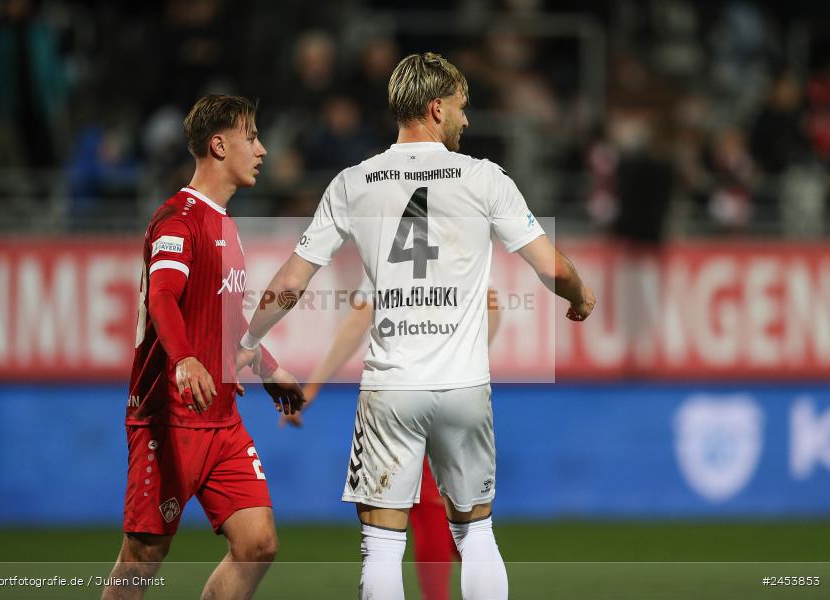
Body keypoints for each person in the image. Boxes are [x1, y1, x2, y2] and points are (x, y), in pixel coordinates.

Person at [236, 53, 595, 599]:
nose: (466, 121)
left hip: (391, 387)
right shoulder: (483, 177)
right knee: (475, 533)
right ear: (435, 109)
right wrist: (581, 294)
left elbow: (292, 279)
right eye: (460, 108)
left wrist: (250, 339)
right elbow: (550, 267)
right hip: (464, 387)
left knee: (382, 546)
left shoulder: (355, 182)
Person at [102, 94, 305, 600]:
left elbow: (227, 320)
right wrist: (185, 357)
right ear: (218, 145)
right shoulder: (177, 219)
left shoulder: (226, 226)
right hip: (168, 416)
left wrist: (269, 368)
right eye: (251, 137)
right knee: (145, 553)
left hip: (222, 419)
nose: (261, 149)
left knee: (257, 544)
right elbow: (164, 297)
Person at [282, 283, 500, 600]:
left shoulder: (387, 249)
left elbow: (359, 321)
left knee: (410, 519)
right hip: (459, 394)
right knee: (467, 522)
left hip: (402, 396)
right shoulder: (463, 244)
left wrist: (312, 388)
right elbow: (492, 306)